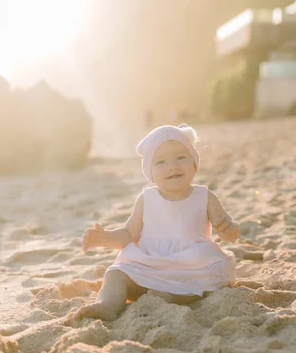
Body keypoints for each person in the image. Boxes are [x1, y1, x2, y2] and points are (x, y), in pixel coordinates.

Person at [72, 124, 240, 321]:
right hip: (150, 264)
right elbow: (128, 234)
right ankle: (108, 305)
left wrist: (229, 229)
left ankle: (172, 297)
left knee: (212, 273)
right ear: (150, 172)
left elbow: (229, 231)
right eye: (161, 161)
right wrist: (105, 238)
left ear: (194, 163)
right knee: (116, 274)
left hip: (190, 264)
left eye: (181, 157)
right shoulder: (146, 199)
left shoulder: (204, 196)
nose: (172, 166)